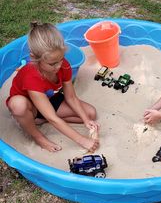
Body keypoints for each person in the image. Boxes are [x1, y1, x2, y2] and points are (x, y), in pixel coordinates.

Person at [6, 22, 99, 153]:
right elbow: (52, 117)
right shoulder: (31, 76)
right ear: (34, 58)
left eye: (61, 59)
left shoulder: (64, 65)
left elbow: (71, 97)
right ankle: (38, 136)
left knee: (91, 114)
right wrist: (81, 140)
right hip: (30, 107)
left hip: (49, 99)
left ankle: (40, 120)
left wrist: (85, 119)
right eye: (52, 63)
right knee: (18, 105)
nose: (59, 66)